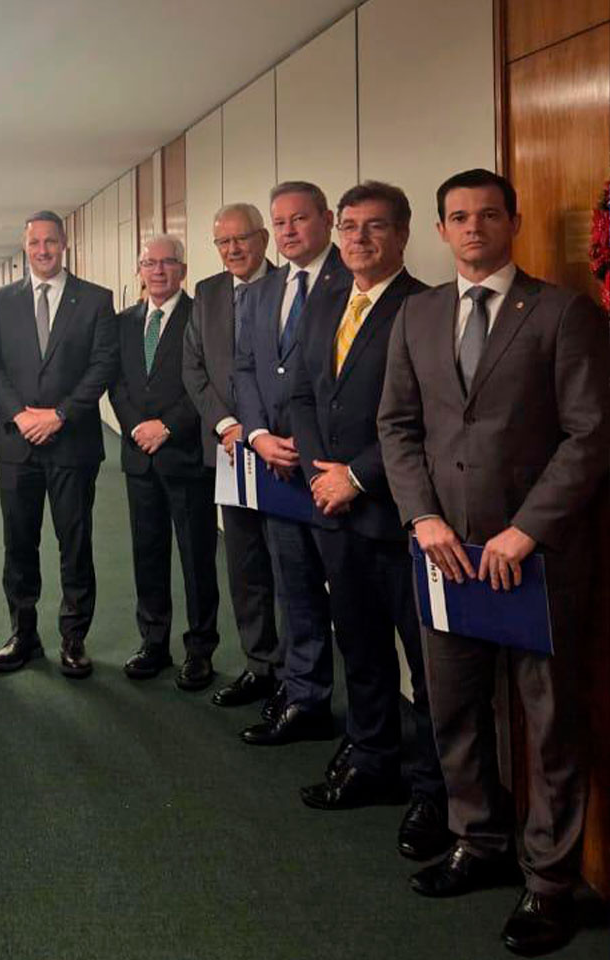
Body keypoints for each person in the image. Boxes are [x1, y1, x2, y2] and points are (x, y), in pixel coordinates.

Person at [379, 168, 610, 957]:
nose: (473, 228)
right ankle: (477, 840)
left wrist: (526, 531)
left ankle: (550, 882)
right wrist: (422, 517)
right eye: (458, 217)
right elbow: (397, 426)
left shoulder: (562, 313)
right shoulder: (417, 315)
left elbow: (591, 433)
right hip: (444, 553)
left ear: (513, 221)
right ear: (441, 230)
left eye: (487, 214)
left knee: (549, 723)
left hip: (533, 559)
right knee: (454, 708)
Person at [285, 182, 448, 863]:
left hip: (395, 514)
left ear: (403, 234)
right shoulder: (326, 302)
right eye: (349, 226)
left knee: (427, 665)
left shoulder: (426, 308)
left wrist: (354, 477)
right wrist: (318, 473)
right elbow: (300, 394)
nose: (357, 238)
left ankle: (435, 791)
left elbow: (430, 416)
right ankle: (374, 758)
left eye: (374, 227)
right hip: (332, 511)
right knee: (359, 645)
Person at [233, 181, 347, 743]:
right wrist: (257, 436)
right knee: (293, 588)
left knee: (349, 599)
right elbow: (246, 369)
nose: (289, 231)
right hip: (275, 467)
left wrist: (306, 445)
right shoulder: (263, 291)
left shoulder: (351, 281)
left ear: (326, 218)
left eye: (299, 219)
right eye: (280, 223)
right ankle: (305, 697)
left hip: (332, 471)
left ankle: (367, 724)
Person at [0, 210, 116, 678]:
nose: (43, 250)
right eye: (35, 242)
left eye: (51, 241)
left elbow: (102, 365)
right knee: (18, 544)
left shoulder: (96, 299)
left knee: (74, 544)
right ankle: (23, 635)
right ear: (25, 247)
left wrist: (60, 414)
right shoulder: (0, 301)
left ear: (64, 244)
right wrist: (20, 416)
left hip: (72, 443)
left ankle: (73, 638)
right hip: (16, 444)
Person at [180, 203, 281, 704]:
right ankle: (259, 664)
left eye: (242, 239)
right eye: (223, 242)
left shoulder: (289, 287)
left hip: (282, 450)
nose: (233, 249)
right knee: (244, 563)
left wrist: (260, 431)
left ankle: (297, 678)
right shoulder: (208, 292)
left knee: (290, 567)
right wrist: (226, 424)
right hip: (229, 449)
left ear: (263, 239)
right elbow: (194, 368)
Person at [110, 235, 218, 691]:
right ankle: (153, 642)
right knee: (147, 552)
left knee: (197, 558)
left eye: (167, 262)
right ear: (139, 270)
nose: (157, 270)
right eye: (149, 263)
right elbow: (116, 383)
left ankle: (200, 649)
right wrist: (137, 426)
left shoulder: (202, 317)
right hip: (140, 457)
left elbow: (208, 383)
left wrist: (168, 427)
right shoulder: (123, 322)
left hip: (186, 456)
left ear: (183, 270)